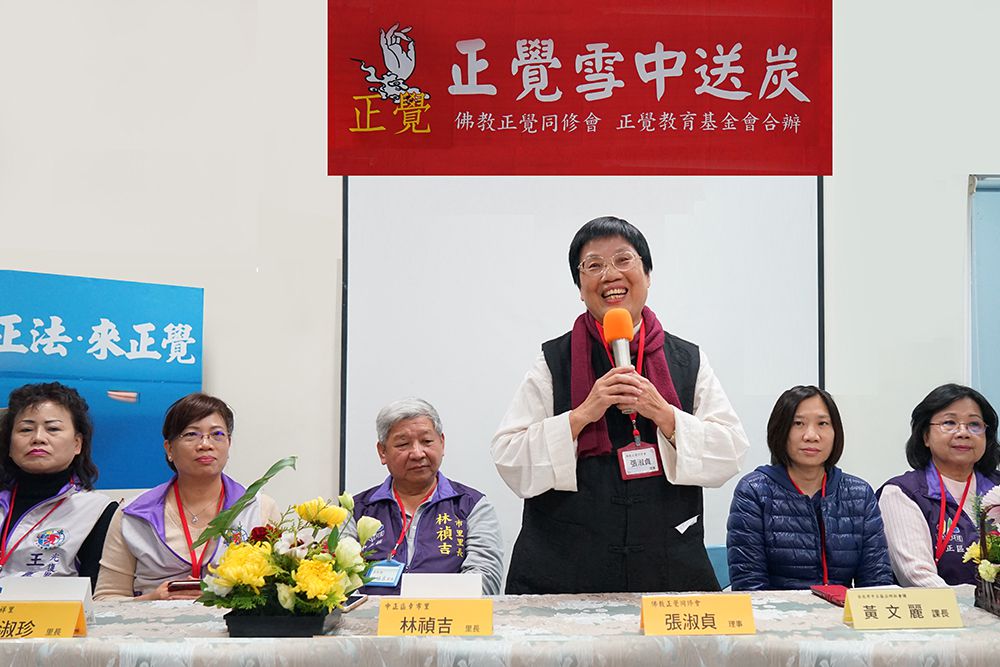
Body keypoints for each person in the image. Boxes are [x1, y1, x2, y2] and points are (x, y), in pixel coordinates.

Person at [492, 216, 749, 594]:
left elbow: (730, 451)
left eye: (623, 260)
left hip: (665, 563)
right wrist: (582, 415)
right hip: (565, 567)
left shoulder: (687, 359)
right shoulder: (554, 358)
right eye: (594, 265)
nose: (610, 274)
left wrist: (663, 413)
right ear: (580, 288)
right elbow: (509, 457)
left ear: (647, 274)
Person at [94, 393, 279, 600]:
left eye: (217, 434)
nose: (205, 444)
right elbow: (105, 599)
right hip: (154, 620)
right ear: (169, 449)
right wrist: (154, 599)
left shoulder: (258, 508)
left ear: (229, 443)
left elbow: (278, 593)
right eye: (191, 434)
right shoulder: (132, 513)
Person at [726, 385, 893, 590]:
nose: (811, 435)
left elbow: (877, 583)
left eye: (822, 423)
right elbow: (749, 585)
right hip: (775, 610)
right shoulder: (754, 491)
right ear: (780, 430)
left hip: (843, 610)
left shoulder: (860, 494)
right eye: (798, 424)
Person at [350, 398, 503, 595]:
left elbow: (485, 579)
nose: (417, 453)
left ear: (442, 443)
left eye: (427, 441)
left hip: (446, 614)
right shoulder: (356, 509)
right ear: (382, 452)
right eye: (403, 444)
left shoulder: (471, 505)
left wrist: (422, 605)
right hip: (371, 614)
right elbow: (337, 581)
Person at [878, 384, 1000, 586]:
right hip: (941, 606)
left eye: (974, 424)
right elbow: (917, 576)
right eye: (949, 423)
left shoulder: (996, 486)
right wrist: (970, 606)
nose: (963, 433)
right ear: (925, 436)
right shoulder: (903, 493)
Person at [0, 382, 117, 587]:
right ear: (9, 445)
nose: (38, 438)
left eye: (52, 428)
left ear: (77, 444)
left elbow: (99, 596)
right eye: (26, 429)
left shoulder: (97, 511)